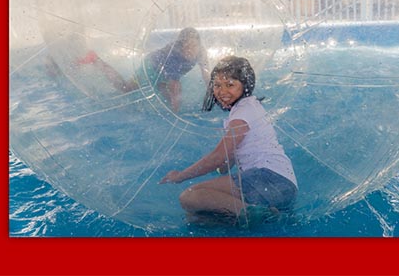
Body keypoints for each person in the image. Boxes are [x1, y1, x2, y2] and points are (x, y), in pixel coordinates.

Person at [159, 56, 298, 225]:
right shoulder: (249, 108)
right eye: (217, 85)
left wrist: (180, 176)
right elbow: (226, 160)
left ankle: (260, 216)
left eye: (230, 85)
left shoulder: (242, 113)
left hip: (269, 179)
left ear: (245, 85)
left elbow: (218, 157)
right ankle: (261, 215)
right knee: (199, 219)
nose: (222, 91)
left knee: (190, 197)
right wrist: (222, 168)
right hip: (282, 188)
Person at [77, 27, 208, 113]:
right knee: (126, 88)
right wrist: (176, 115)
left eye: (194, 45)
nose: (190, 50)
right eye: (186, 46)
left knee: (167, 96)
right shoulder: (175, 55)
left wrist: (213, 93)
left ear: (199, 44)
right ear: (181, 45)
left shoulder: (201, 52)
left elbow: (206, 74)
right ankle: (95, 59)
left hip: (164, 73)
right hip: (151, 67)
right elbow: (175, 86)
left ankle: (167, 103)